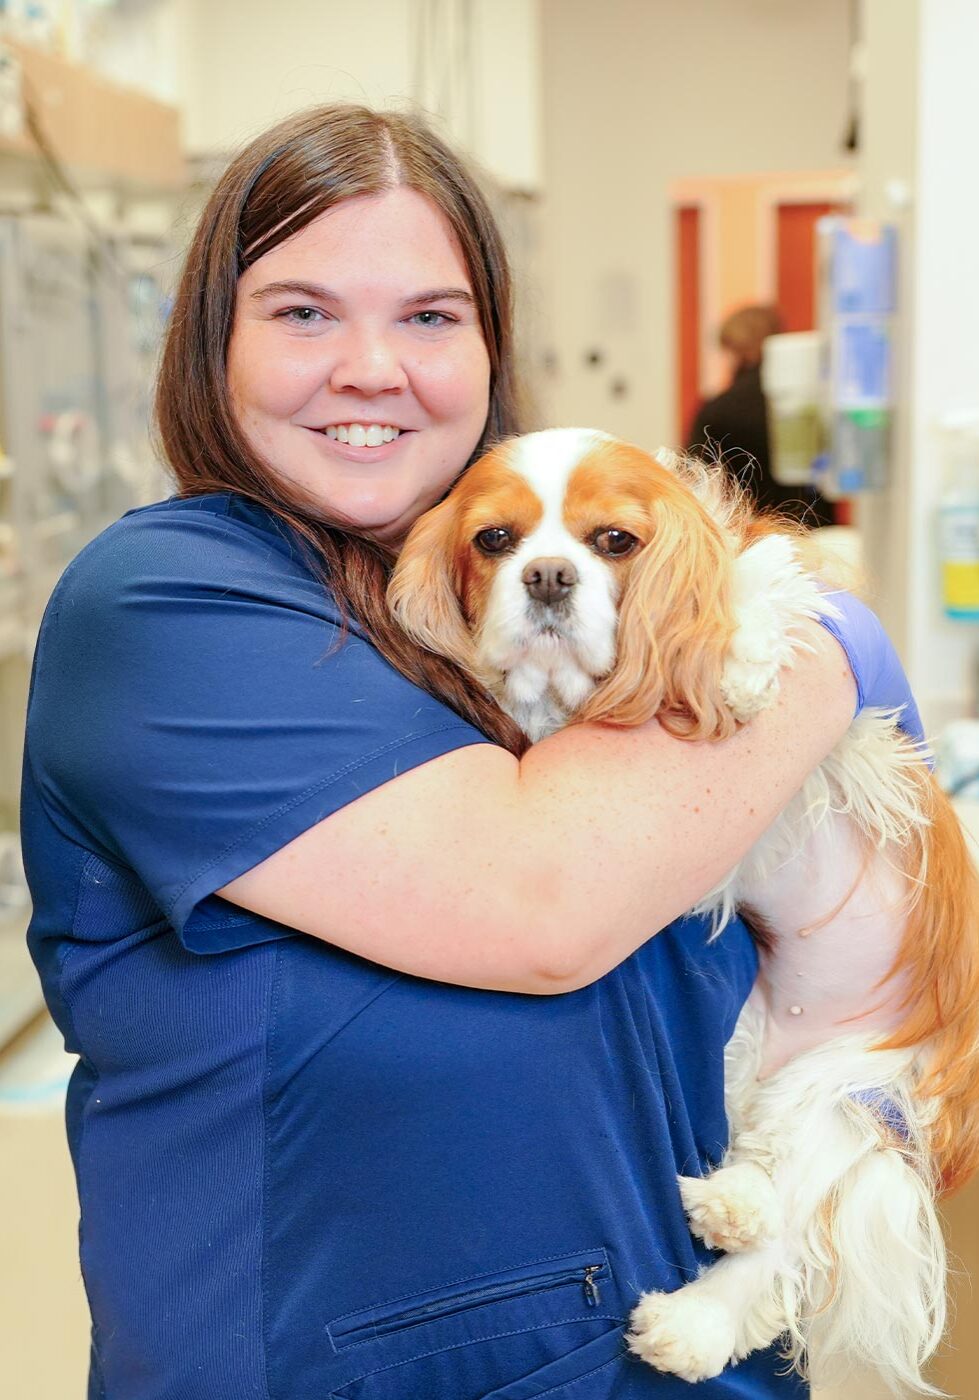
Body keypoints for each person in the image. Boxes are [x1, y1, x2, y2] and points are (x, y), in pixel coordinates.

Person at [22, 105, 918, 1399]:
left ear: (491, 347)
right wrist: (814, 644)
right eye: (302, 312)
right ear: (210, 337)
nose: (372, 366)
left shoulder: (505, 611)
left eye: (431, 317)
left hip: (662, 1340)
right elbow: (538, 903)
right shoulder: (168, 605)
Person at [686, 304, 834, 527]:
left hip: (747, 532)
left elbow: (699, 479)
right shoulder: (810, 401)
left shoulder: (718, 410)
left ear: (733, 350)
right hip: (810, 526)